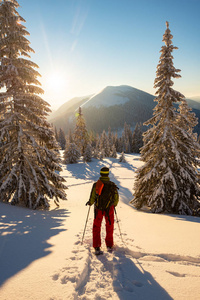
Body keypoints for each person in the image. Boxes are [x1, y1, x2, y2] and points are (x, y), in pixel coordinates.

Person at [86, 167, 119, 255]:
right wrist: (113, 205)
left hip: (98, 208)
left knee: (96, 226)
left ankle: (97, 246)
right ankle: (109, 245)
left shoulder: (96, 184)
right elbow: (116, 198)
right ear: (108, 174)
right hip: (109, 209)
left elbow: (93, 196)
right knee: (109, 226)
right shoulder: (112, 184)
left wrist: (90, 202)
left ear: (100, 174)